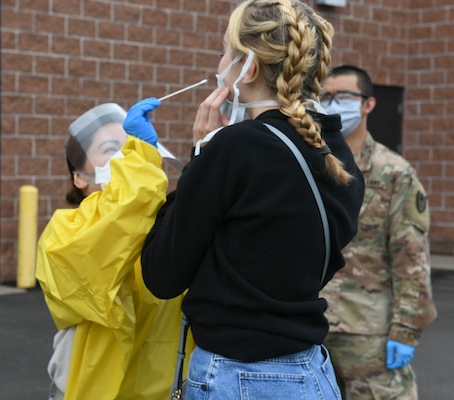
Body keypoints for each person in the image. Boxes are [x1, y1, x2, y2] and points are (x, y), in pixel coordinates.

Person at [128, 1, 365, 399]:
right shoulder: (335, 150)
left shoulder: (234, 149)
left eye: (225, 50)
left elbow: (161, 274)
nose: (219, 64)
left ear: (249, 66)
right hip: (311, 374)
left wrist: (200, 156)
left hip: (237, 378)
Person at [36, 102, 191, 399]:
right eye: (111, 149)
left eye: (130, 146)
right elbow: (115, 226)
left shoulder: (163, 225)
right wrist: (143, 158)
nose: (125, 157)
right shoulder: (63, 234)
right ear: (79, 177)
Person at [319, 65, 438, 399]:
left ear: (368, 104)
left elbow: (411, 258)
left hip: (368, 335)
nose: (332, 104)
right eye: (325, 97)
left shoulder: (394, 173)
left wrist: (406, 330)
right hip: (313, 327)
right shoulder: (314, 165)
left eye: (342, 96)